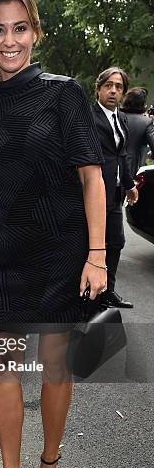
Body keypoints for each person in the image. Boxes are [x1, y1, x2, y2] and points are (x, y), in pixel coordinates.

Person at [0, 0, 107, 468]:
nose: (9, 40)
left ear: (35, 32)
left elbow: (92, 178)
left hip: (60, 250)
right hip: (3, 250)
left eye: (19, 28)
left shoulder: (65, 93)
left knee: (54, 367)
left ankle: (49, 464)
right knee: (2, 369)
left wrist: (96, 254)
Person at [92, 67, 138, 309]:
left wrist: (130, 185)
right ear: (98, 89)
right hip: (93, 193)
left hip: (116, 194)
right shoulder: (89, 117)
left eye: (118, 87)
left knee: (116, 242)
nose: (113, 90)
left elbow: (123, 156)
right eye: (108, 85)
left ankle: (108, 291)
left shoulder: (121, 119)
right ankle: (89, 296)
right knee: (92, 245)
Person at [120, 87, 154, 176]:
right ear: (142, 104)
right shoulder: (146, 122)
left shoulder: (114, 117)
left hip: (108, 169)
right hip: (132, 171)